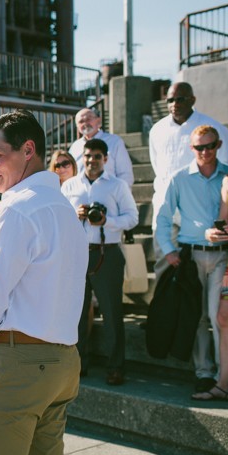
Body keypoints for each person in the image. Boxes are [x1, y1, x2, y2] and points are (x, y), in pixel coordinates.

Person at [0, 110, 88, 455]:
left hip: (19, 367)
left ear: (28, 150)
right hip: (63, 364)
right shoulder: (65, 209)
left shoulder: (16, 208)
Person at [156, 125, 228, 395]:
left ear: (218, 144)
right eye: (200, 147)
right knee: (196, 316)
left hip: (223, 257)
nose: (205, 151)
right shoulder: (179, 178)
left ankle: (225, 376)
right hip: (190, 256)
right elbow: (163, 217)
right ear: (191, 148)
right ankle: (204, 373)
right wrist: (168, 249)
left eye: (210, 145)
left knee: (219, 316)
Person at [62, 138, 139, 385]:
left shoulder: (117, 186)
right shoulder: (70, 186)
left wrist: (108, 221)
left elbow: (133, 218)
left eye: (97, 156)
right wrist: (74, 215)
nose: (92, 161)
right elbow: (58, 219)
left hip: (107, 253)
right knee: (75, 312)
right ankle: (78, 363)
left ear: (105, 159)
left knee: (112, 312)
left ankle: (116, 366)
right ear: (81, 158)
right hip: (77, 254)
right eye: (87, 156)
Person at [149, 82, 228, 239]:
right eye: (170, 100)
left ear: (192, 100)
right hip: (167, 209)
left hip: (202, 210)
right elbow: (157, 166)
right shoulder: (157, 130)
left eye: (180, 99)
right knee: (165, 261)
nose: (175, 104)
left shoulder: (213, 128)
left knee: (204, 259)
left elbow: (224, 171)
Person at [195, 174, 228, 401]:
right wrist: (213, 233)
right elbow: (224, 219)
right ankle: (224, 384)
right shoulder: (227, 181)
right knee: (223, 317)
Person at [69, 108, 134, 185]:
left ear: (98, 121)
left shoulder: (114, 141)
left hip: (109, 193)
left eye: (88, 119)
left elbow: (125, 174)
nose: (85, 123)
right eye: (81, 121)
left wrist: (118, 193)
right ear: (77, 126)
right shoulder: (75, 147)